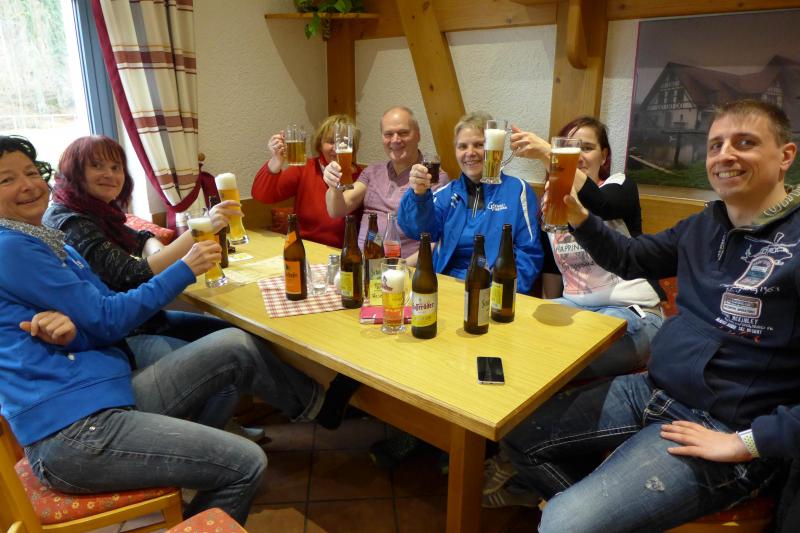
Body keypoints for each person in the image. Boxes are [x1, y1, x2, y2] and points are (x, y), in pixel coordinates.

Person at [499, 99, 799, 531]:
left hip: (725, 427)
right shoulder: (704, 225)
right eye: (715, 145)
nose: (725, 155)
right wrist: (579, 217)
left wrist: (746, 443)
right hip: (653, 390)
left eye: (745, 143)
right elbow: (629, 257)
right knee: (515, 434)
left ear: (785, 156)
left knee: (563, 523)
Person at [0, 135, 269, 523]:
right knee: (247, 462)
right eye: (6, 180)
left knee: (232, 345)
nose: (27, 185)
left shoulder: (50, 242)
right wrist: (185, 268)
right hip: (76, 432)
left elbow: (102, 316)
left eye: (30, 172)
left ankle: (307, 409)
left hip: (106, 393)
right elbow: (110, 317)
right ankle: (318, 406)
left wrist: (74, 332)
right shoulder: (11, 247)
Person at [42, 135, 356, 432]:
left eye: (116, 167)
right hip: (123, 339)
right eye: (97, 166)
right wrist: (198, 234)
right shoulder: (72, 223)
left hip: (142, 321)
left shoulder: (96, 212)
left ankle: (237, 425)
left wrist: (156, 249)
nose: (110, 175)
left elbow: (141, 238)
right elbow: (132, 274)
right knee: (235, 349)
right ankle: (317, 408)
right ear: (73, 171)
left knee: (236, 331)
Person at [509, 116, 664, 378]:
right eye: (570, 148)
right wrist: (547, 311)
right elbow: (552, 267)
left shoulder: (619, 185)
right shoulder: (551, 201)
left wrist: (551, 154)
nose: (577, 155)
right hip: (576, 307)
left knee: (571, 348)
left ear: (604, 156)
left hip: (631, 311)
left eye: (587, 148)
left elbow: (602, 204)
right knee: (515, 331)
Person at [398, 111, 543, 294]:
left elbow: (529, 255)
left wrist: (501, 296)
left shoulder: (517, 191)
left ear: (493, 146)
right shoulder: (446, 194)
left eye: (479, 145)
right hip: (445, 286)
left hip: (492, 290)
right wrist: (418, 195)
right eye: (462, 146)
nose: (470, 153)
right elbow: (418, 231)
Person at [322, 106, 448, 264]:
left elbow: (437, 240)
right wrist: (333, 186)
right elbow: (337, 210)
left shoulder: (433, 177)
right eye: (388, 134)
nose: (395, 140)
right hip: (361, 265)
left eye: (403, 133)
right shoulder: (372, 171)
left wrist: (401, 267)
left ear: (417, 135)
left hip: (403, 269)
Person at [251, 115, 363, 248]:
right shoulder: (305, 169)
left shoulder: (362, 178)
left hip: (344, 252)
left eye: (344, 141)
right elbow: (261, 195)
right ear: (320, 144)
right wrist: (276, 160)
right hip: (305, 248)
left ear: (353, 147)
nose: (337, 147)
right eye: (331, 141)